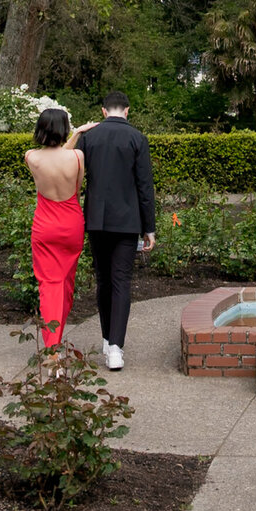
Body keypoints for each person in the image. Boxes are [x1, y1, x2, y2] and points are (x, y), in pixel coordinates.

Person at [77, 90, 156, 370]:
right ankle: (115, 347)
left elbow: (71, 170)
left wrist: (76, 132)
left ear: (103, 111)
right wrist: (149, 228)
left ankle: (107, 337)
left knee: (103, 280)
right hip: (127, 221)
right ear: (127, 110)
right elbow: (145, 186)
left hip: (95, 220)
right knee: (121, 281)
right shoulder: (137, 138)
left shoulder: (89, 138)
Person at [24, 106, 89, 348]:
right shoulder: (77, 157)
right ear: (65, 129)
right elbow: (77, 187)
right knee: (65, 284)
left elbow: (51, 156)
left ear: (40, 129)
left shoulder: (31, 157)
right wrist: (78, 134)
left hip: (45, 226)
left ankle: (52, 349)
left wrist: (76, 135)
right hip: (72, 224)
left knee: (49, 286)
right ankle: (54, 344)